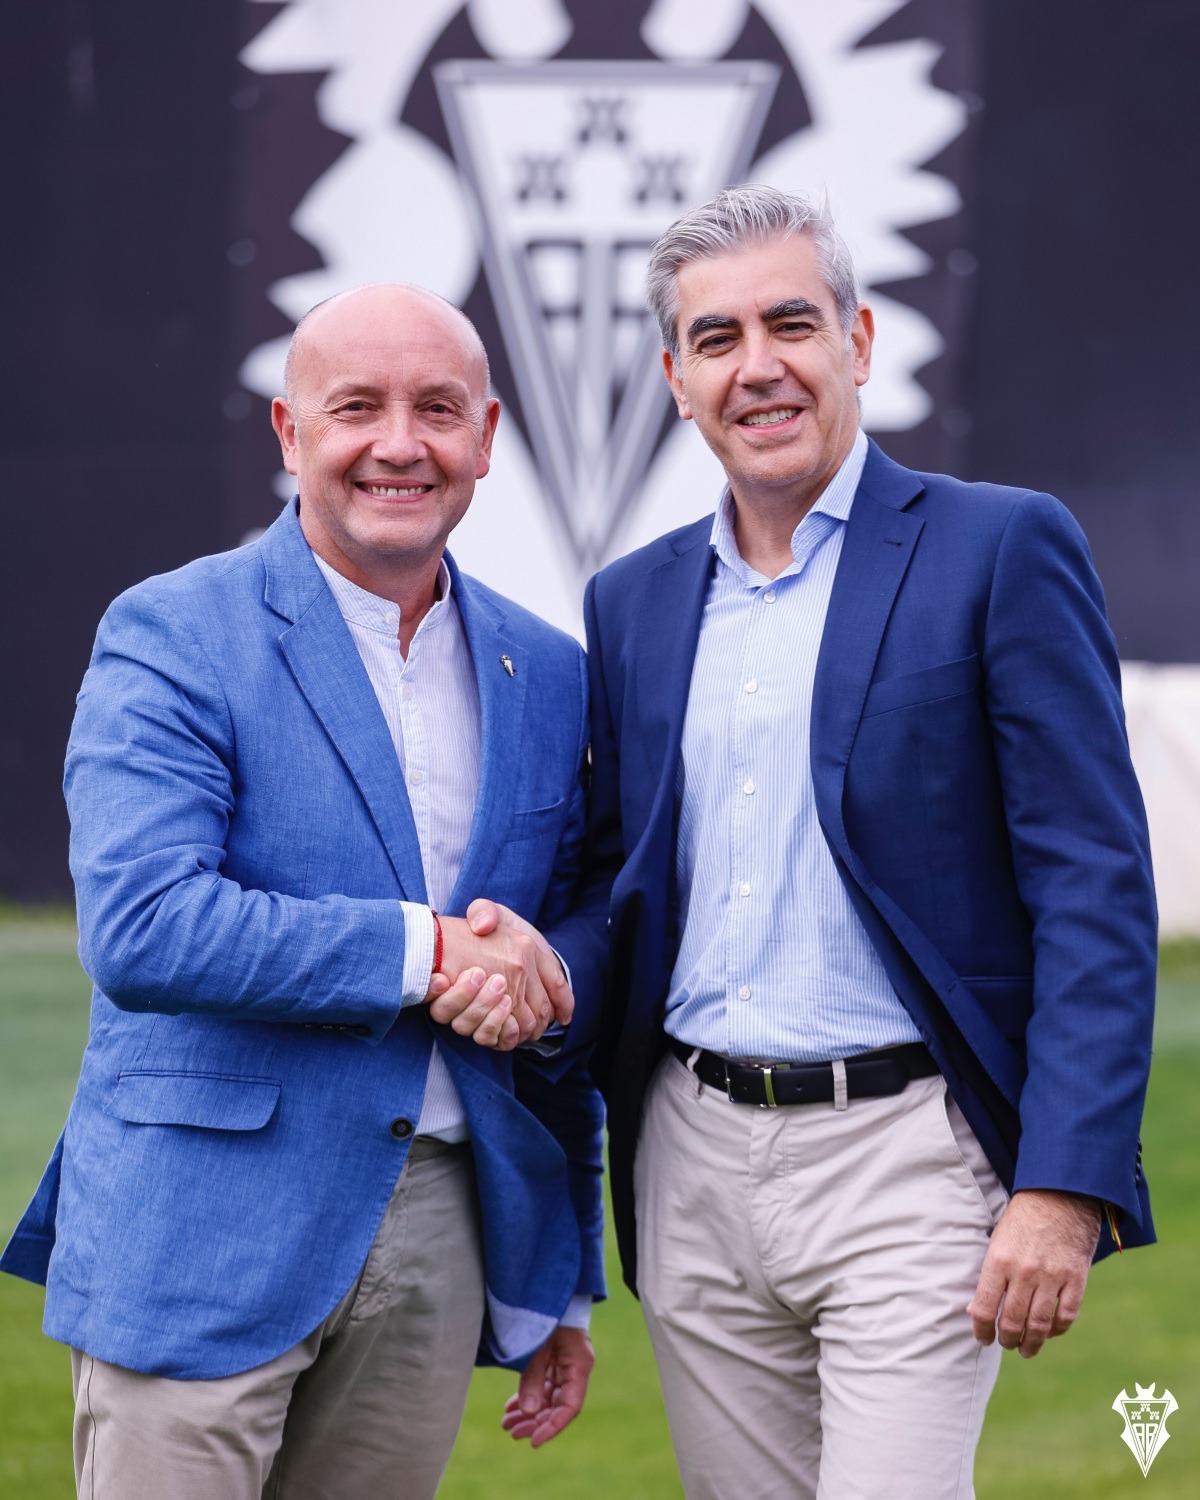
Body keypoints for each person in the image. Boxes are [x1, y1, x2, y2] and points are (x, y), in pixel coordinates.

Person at [580, 186, 1156, 1499]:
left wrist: (1063, 1184)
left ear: (859, 339)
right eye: (716, 339)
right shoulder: (632, 603)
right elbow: (615, 888)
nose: (758, 366)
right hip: (693, 1167)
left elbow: (1093, 887)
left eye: (792, 324)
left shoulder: (1000, 547)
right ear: (676, 379)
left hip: (910, 1158)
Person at [0, 284, 608, 1500]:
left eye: (438, 409)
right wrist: (430, 953)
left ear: (487, 435)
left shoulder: (546, 670)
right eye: (357, 408)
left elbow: (560, 946)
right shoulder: (174, 631)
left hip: (441, 1233)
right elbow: (146, 926)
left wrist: (564, 1278)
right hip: (201, 1234)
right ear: (290, 432)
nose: (400, 443)